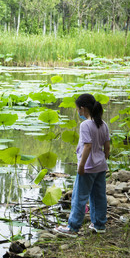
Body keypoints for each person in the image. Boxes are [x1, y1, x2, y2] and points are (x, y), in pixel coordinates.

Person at [54, 93, 111, 237]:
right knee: (99, 196)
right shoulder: (103, 124)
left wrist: (81, 165)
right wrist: (102, 159)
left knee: (79, 197)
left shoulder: (85, 124)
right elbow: (107, 147)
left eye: (78, 109)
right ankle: (99, 224)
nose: (78, 112)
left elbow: (87, 146)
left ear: (83, 108)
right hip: (100, 166)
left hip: (88, 167)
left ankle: (72, 227)